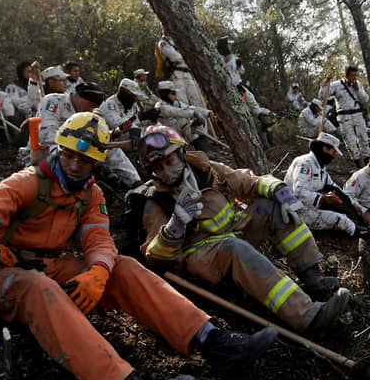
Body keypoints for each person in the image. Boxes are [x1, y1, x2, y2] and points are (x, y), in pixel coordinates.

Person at [0, 113, 278, 380]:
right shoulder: (26, 182)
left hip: (48, 266)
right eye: (71, 156)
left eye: (85, 161)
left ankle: (212, 340)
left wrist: (99, 272)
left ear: (95, 164)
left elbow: (98, 241)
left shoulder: (91, 195)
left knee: (123, 266)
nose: (75, 165)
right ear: (60, 150)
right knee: (37, 287)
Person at [139, 125, 350, 335]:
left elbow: (247, 181)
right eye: (158, 167)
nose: (166, 170)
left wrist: (278, 188)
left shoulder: (207, 170)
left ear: (181, 153)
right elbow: (154, 256)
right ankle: (308, 317)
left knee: (272, 205)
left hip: (234, 234)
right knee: (234, 246)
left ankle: (312, 277)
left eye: (169, 161)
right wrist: (174, 227)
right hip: (202, 257)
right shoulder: (156, 201)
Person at [27, 82, 141, 190]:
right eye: (91, 106)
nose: (91, 110)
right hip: (47, 150)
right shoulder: (53, 101)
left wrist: (112, 134)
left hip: (79, 149)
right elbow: (47, 135)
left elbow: (100, 138)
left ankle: (135, 182)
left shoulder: (88, 113)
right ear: (79, 98)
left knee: (107, 147)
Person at [284, 132, 368, 237]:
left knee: (346, 208)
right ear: (325, 149)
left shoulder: (320, 167)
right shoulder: (304, 163)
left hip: (312, 205)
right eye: (333, 152)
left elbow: (333, 186)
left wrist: (353, 204)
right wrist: (323, 198)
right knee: (342, 220)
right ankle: (357, 233)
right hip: (298, 210)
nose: (334, 156)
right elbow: (299, 191)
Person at [319, 65, 370, 167]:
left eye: (356, 75)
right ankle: (357, 163)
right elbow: (322, 95)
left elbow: (365, 99)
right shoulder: (336, 85)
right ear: (346, 75)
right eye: (352, 75)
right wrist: (325, 82)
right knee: (350, 141)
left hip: (357, 114)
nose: (354, 78)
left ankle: (367, 161)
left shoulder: (358, 84)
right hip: (344, 117)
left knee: (363, 139)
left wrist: (358, 90)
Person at [155, 80, 215, 157]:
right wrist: (194, 114)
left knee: (190, 122)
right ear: (166, 94)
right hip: (168, 140)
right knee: (183, 120)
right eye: (173, 93)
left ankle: (204, 150)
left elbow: (190, 108)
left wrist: (207, 113)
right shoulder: (160, 106)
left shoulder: (176, 103)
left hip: (179, 136)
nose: (175, 95)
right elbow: (177, 112)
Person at [157, 25, 205, 108]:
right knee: (183, 102)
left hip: (188, 74)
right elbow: (175, 57)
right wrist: (187, 56)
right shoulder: (163, 43)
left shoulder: (179, 41)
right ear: (162, 27)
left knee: (197, 101)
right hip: (177, 75)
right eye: (164, 26)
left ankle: (205, 120)